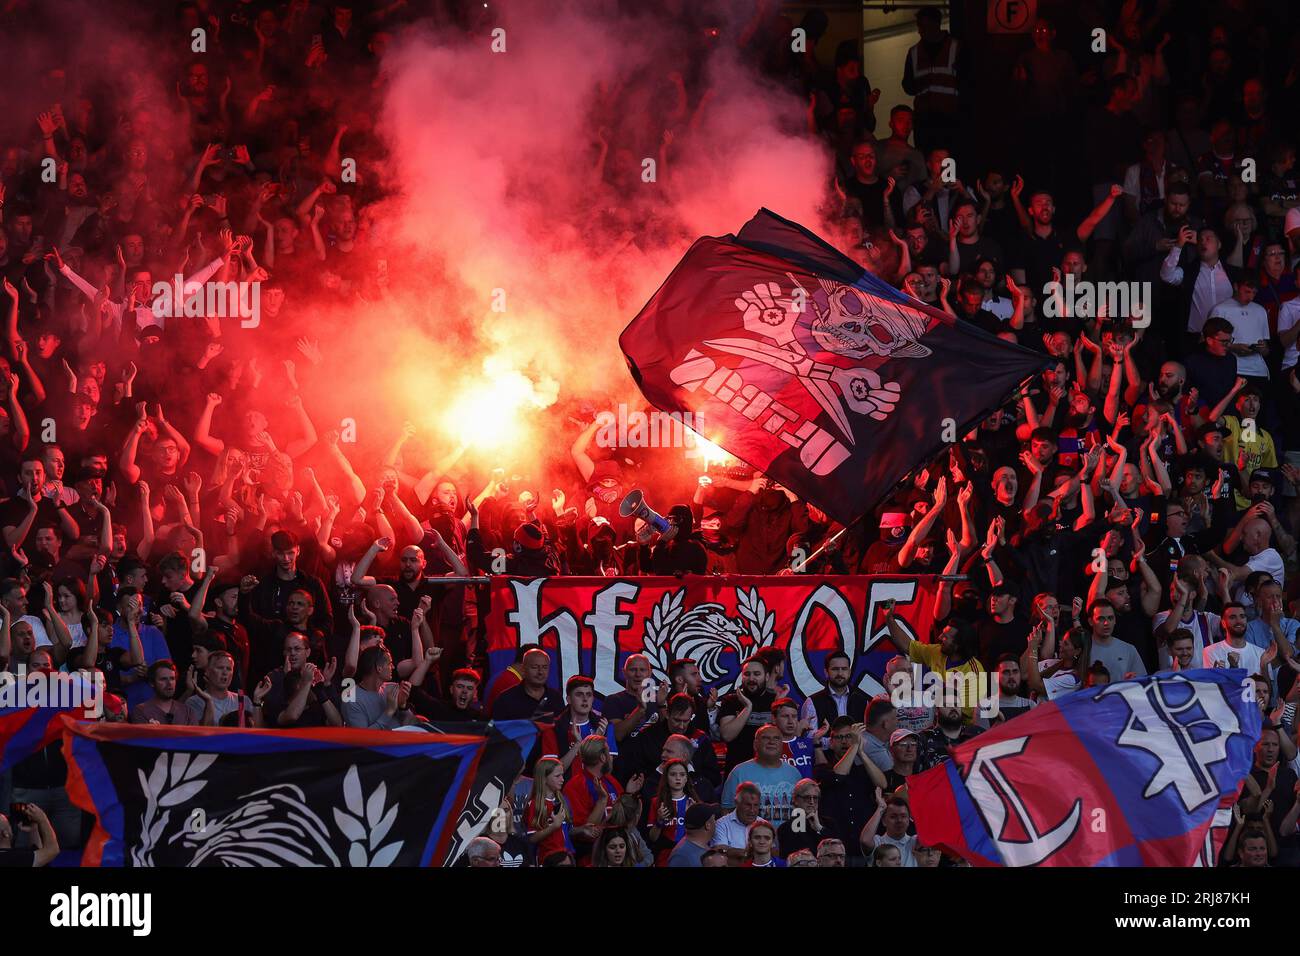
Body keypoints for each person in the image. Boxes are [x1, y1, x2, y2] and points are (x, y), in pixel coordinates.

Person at [719, 723, 802, 826]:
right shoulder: (739, 772)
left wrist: (799, 839)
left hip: (786, 840)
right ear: (755, 744)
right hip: (750, 840)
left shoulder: (794, 774)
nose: (771, 742)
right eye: (765, 738)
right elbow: (726, 811)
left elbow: (800, 812)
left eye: (776, 738)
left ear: (782, 744)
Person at [0, 802, 58, 867]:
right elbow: (52, 850)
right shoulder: (12, 859)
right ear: (5, 834)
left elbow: (39, 856)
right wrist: (42, 819)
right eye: (7, 821)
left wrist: (34, 828)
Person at [667, 803, 721, 868]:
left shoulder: (697, 849)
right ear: (708, 825)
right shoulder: (682, 857)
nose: (716, 823)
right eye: (714, 819)